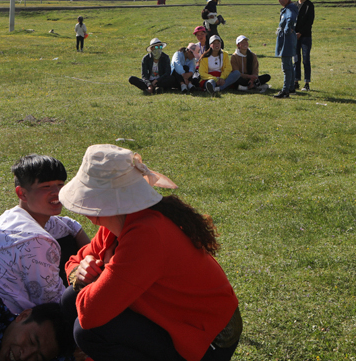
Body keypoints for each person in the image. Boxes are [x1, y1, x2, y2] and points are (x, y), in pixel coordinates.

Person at [59, 145, 241, 361]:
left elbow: (90, 314)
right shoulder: (116, 226)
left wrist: (86, 280)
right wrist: (78, 271)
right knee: (71, 299)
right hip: (172, 318)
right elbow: (74, 260)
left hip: (206, 339)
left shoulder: (146, 235)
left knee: (87, 331)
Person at [0, 154, 91, 314]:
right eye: (46, 187)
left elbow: (70, 225)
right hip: (13, 321)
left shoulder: (9, 219)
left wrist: (91, 253)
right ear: (22, 193)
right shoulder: (36, 241)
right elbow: (55, 304)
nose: (57, 192)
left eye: (60, 185)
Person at [274, 0, 298, 99]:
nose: (281, 0)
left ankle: (285, 90)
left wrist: (287, 30)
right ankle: (291, 87)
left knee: (286, 66)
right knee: (289, 64)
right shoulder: (286, 8)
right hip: (286, 39)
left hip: (287, 40)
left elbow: (291, 19)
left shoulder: (290, 8)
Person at [292, 0, 315, 92]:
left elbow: (309, 22)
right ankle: (296, 81)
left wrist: (300, 32)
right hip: (294, 37)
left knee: (305, 59)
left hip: (305, 36)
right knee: (296, 59)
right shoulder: (294, 5)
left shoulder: (309, 5)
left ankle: (306, 83)